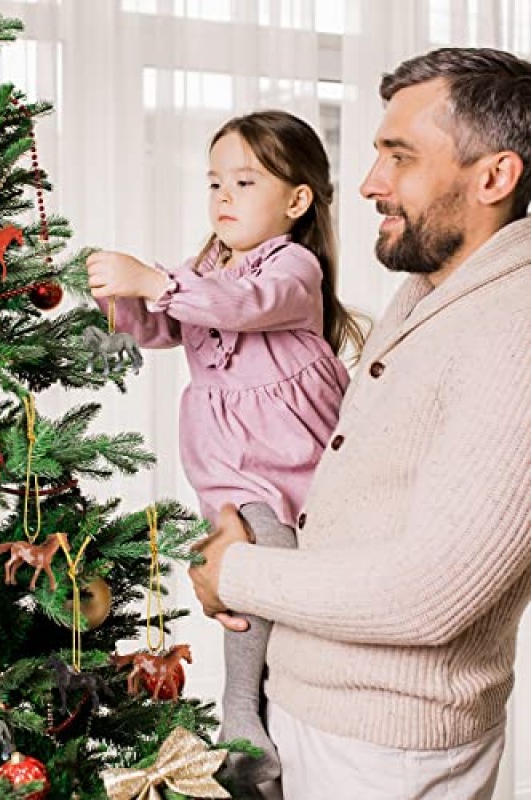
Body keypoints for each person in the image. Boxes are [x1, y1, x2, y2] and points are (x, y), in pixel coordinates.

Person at [189, 46, 531, 800]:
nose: (372, 184)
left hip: (385, 749)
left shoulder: (517, 330)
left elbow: (433, 592)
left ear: (494, 177)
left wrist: (236, 574)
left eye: (400, 157)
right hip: (313, 707)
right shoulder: (430, 292)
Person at [86, 110, 365, 797]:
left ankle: (244, 712)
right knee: (237, 570)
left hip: (286, 453)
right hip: (226, 460)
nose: (223, 198)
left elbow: (244, 305)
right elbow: (160, 326)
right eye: (214, 182)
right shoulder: (205, 266)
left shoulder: (293, 267)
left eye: (244, 181)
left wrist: (154, 280)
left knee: (264, 569)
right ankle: (251, 727)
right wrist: (119, 298)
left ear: (296, 202)